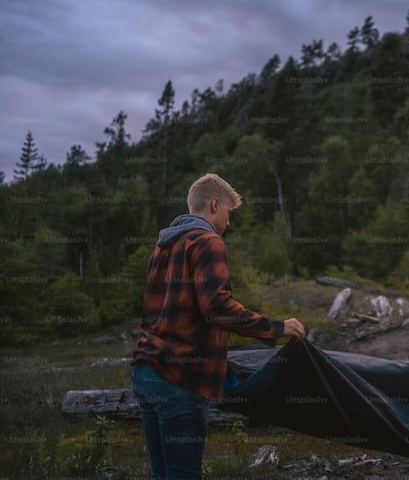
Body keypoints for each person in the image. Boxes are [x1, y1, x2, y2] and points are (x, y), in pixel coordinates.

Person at [131, 173, 306, 479]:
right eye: (228, 212)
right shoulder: (208, 241)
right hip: (181, 378)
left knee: (162, 475)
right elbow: (217, 307)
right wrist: (277, 327)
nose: (229, 222)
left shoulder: (163, 246)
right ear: (213, 204)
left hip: (147, 371)